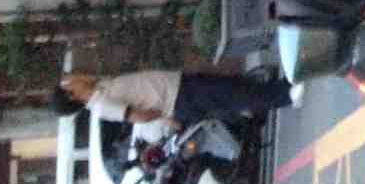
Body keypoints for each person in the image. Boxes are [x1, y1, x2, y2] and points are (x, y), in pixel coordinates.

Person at [57, 67, 296, 127]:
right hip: (179, 98)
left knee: (233, 86)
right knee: (234, 96)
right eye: (69, 82)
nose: (73, 77)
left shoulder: (99, 88)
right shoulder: (100, 106)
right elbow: (138, 117)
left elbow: (89, 77)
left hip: (179, 84)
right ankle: (287, 96)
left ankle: (283, 88)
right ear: (71, 95)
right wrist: (164, 112)